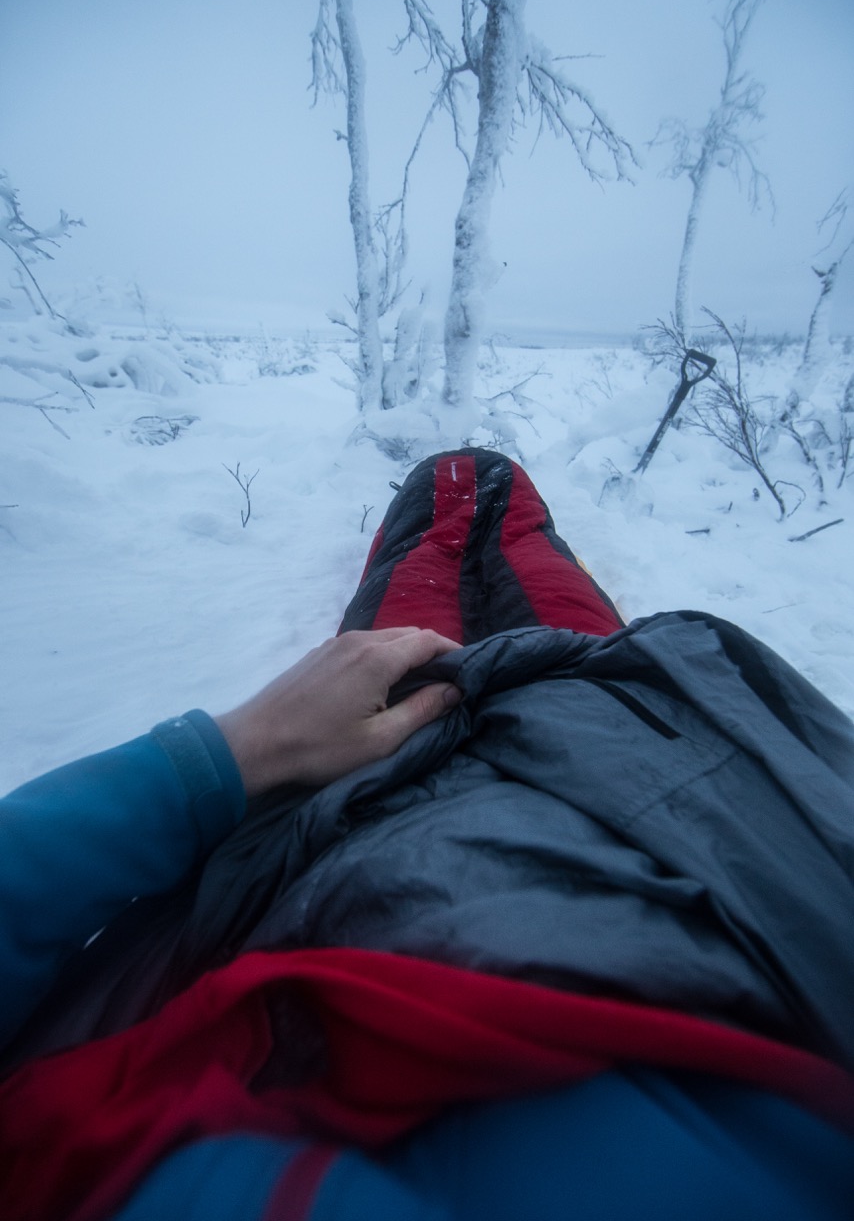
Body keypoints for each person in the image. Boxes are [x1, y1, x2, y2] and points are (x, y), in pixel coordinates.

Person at [1, 448, 853, 1221]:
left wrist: (236, 754)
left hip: (351, 812)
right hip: (636, 762)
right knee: (536, 567)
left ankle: (452, 471)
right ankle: (481, 470)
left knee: (422, 576)